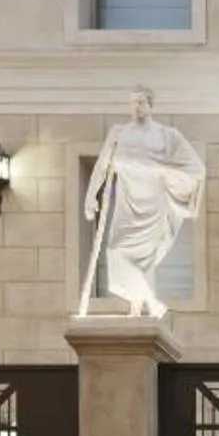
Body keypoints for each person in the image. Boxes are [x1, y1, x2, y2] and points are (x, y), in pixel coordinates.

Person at [81, 87, 207, 318]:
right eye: (132, 102)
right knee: (116, 251)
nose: (136, 107)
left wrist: (154, 169)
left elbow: (196, 169)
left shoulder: (166, 135)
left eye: (140, 102)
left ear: (150, 105)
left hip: (154, 203)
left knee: (145, 261)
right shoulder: (118, 132)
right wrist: (91, 196)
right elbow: (101, 166)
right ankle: (152, 303)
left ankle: (137, 309)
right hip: (127, 202)